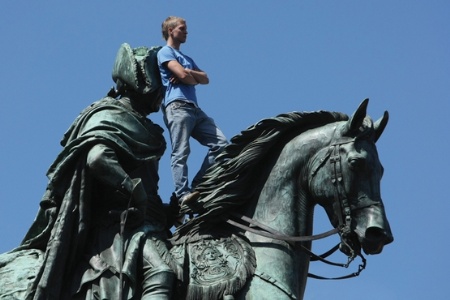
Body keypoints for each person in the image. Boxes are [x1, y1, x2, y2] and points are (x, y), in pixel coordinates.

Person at [17, 43, 176, 299]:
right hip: (115, 226)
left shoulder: (145, 126)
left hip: (147, 225)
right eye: (160, 83)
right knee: (161, 272)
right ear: (143, 84)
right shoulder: (109, 113)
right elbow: (98, 157)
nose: (163, 92)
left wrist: (168, 211)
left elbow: (149, 191)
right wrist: (134, 191)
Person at [157, 16, 228, 207]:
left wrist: (190, 75)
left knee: (222, 145)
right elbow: (181, 75)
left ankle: (198, 187)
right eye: (182, 29)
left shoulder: (187, 59)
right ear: (171, 31)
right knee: (181, 151)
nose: (186, 32)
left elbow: (205, 78)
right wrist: (186, 75)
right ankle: (182, 195)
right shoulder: (165, 52)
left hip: (194, 109)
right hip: (177, 106)